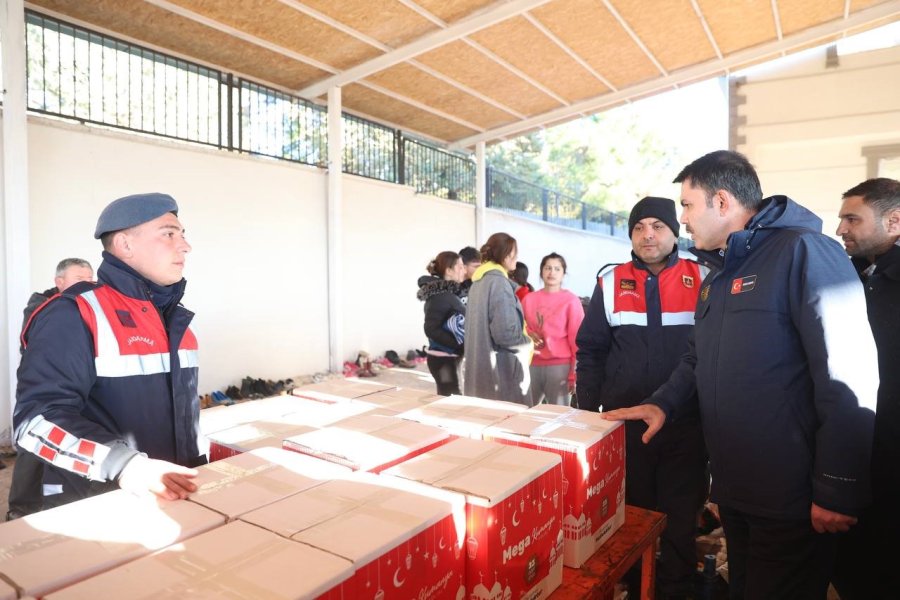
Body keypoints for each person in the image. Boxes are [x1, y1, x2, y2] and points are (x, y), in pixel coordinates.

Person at [602, 151, 878, 600]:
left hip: (792, 495)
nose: (684, 219)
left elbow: (848, 373)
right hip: (737, 490)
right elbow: (697, 358)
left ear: (723, 201)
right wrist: (662, 403)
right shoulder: (719, 273)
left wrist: (839, 486)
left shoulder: (804, 252)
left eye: (688, 205)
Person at [13, 192, 204, 511]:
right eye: (169, 233)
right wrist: (126, 466)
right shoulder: (74, 314)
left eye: (183, 235)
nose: (185, 246)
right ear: (126, 245)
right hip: (95, 502)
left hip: (167, 496)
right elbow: (35, 421)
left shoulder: (176, 322)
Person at [576, 197, 708, 600]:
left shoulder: (704, 276)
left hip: (687, 424)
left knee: (682, 517)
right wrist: (585, 413)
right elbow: (591, 351)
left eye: (658, 225)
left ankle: (675, 588)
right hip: (626, 424)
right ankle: (636, 585)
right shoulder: (611, 282)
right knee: (632, 513)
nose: (648, 234)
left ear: (675, 231)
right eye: (639, 227)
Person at [831, 177, 900, 599]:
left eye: (852, 219)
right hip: (854, 455)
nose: (841, 229)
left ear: (894, 221)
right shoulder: (849, 275)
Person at [6, 258, 95, 521]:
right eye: (81, 279)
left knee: (66, 446)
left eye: (91, 279)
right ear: (60, 282)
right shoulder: (42, 309)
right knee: (34, 447)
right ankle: (20, 510)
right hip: (41, 391)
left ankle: (59, 505)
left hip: (74, 387)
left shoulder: (84, 306)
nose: (89, 285)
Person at [463, 232, 533, 405]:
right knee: (509, 428)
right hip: (502, 375)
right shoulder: (499, 283)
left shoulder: (478, 282)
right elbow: (505, 334)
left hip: (481, 372)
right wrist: (528, 342)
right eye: (515, 253)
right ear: (508, 255)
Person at [523, 252, 583, 406]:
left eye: (557, 269)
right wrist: (529, 334)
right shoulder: (528, 299)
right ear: (541, 272)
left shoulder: (571, 301)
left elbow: (577, 340)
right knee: (526, 413)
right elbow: (519, 327)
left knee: (559, 417)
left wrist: (574, 374)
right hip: (531, 364)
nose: (552, 272)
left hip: (560, 368)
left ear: (564, 274)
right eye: (548, 268)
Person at [417, 251, 467, 396]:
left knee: (450, 400)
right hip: (443, 359)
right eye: (460, 266)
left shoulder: (449, 294)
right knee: (451, 402)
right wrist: (457, 345)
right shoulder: (441, 296)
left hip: (448, 357)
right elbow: (431, 329)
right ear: (449, 271)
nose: (464, 270)